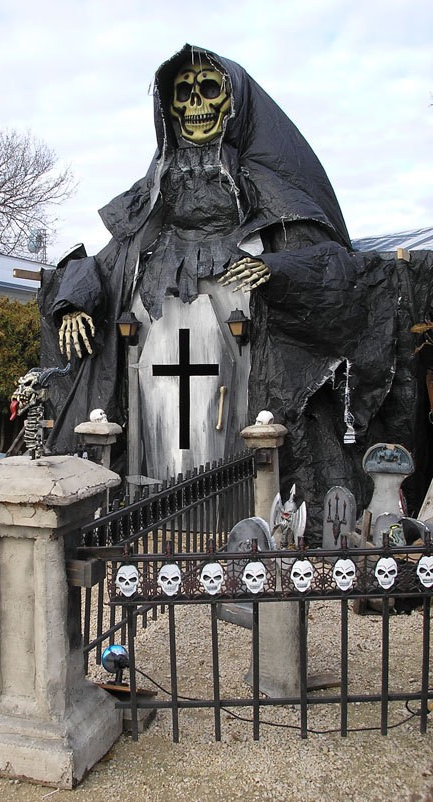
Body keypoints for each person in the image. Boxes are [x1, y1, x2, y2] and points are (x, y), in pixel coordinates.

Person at [39, 44, 428, 537]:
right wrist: (73, 301)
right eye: (182, 93)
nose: (195, 104)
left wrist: (278, 270)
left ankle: (255, 519)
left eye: (209, 89)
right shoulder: (150, 204)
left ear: (233, 103)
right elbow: (98, 264)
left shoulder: (270, 194)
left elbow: (336, 269)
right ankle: (149, 509)